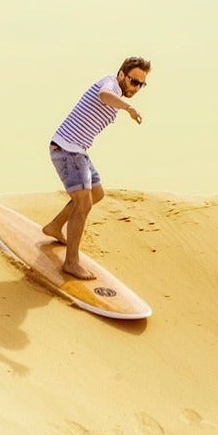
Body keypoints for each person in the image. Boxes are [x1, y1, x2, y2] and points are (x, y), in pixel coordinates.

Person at [43, 56, 150, 280]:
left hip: (78, 150)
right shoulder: (110, 83)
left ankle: (55, 226)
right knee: (84, 203)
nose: (137, 88)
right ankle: (71, 262)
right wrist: (128, 108)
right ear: (121, 75)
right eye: (134, 81)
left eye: (141, 84)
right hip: (67, 149)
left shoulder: (117, 92)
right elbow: (104, 95)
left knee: (96, 194)